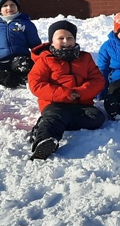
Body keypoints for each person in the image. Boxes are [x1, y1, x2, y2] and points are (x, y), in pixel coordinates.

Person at [26, 20, 105, 160]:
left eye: (70, 38)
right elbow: (36, 84)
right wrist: (65, 94)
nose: (66, 41)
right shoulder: (45, 60)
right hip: (55, 104)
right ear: (52, 41)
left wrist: (80, 92)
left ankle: (57, 122)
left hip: (81, 104)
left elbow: (97, 80)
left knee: (96, 118)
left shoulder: (85, 58)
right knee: (54, 117)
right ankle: (44, 140)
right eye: (60, 38)